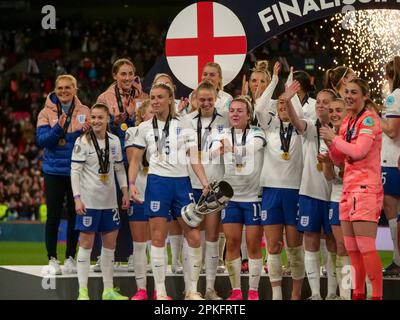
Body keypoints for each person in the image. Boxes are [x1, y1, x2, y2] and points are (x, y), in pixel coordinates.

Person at [129, 82, 209, 300]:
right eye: (152, 97)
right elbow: (135, 159)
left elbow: (194, 157)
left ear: (170, 99)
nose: (154, 101)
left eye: (159, 97)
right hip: (157, 184)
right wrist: (131, 184)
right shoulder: (144, 127)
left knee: (193, 235)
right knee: (157, 236)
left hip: (182, 184)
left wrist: (204, 181)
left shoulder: (185, 125)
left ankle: (191, 290)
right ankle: (161, 292)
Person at [320, 78, 383, 300]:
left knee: (366, 248)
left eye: (354, 92)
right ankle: (357, 294)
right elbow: (341, 158)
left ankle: (376, 296)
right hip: (348, 190)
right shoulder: (348, 121)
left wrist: (334, 139)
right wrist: (329, 149)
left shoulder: (369, 120)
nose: (348, 96)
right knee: (352, 249)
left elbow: (359, 152)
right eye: (346, 91)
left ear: (365, 96)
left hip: (365, 189)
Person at [71, 103, 129, 300]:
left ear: (107, 120)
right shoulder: (82, 142)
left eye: (100, 118)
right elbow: (75, 172)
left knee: (109, 247)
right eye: (93, 117)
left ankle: (108, 291)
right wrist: (77, 198)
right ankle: (82, 291)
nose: (96, 121)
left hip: (110, 202)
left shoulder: (114, 141)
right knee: (86, 245)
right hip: (89, 203)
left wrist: (125, 191)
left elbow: (120, 169)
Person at [211, 96, 266, 300]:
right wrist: (219, 149)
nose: (235, 113)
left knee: (252, 245)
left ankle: (253, 291)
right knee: (232, 244)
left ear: (249, 115)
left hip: (253, 198)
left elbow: (250, 151)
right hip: (231, 198)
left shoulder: (258, 133)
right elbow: (210, 154)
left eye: (240, 110)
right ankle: (236, 291)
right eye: (232, 110)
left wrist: (230, 149)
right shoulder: (222, 134)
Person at [257, 71, 305, 300]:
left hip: (295, 191)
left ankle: (295, 296)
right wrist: (275, 82)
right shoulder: (269, 127)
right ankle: (277, 295)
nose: (283, 107)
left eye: (287, 104)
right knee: (273, 246)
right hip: (271, 191)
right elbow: (258, 108)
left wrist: (290, 93)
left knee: (295, 249)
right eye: (280, 104)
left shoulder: (301, 128)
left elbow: (299, 114)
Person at [285, 82, 336, 300]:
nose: (322, 106)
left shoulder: (341, 128)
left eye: (327, 103)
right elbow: (296, 121)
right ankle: (315, 293)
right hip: (310, 193)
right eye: (320, 102)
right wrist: (288, 100)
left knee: (335, 244)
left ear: (333, 106)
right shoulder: (310, 126)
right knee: (311, 241)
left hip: (334, 194)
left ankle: (333, 293)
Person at [36, 74, 90, 275]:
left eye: (68, 87)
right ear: (55, 90)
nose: (64, 91)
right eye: (60, 88)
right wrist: (59, 127)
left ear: (75, 89)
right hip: (54, 171)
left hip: (77, 171)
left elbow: (88, 142)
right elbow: (42, 141)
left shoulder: (85, 111)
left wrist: (87, 133)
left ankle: (69, 257)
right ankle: (52, 258)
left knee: (77, 215)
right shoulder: (45, 112)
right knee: (53, 216)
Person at [95, 58, 143, 266]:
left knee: (132, 207)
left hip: (135, 160)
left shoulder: (141, 97)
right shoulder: (105, 98)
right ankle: (106, 255)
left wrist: (139, 105)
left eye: (130, 73)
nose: (127, 78)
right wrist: (112, 124)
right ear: (115, 75)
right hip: (113, 158)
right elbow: (96, 125)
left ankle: (133, 254)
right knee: (109, 206)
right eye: (122, 74)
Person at [186, 80, 229, 300]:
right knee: (193, 235)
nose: (205, 103)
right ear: (196, 99)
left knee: (212, 236)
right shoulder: (186, 120)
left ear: (216, 98)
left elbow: (227, 146)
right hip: (192, 183)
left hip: (215, 185)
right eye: (202, 99)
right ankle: (191, 289)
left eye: (210, 99)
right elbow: (189, 153)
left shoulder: (224, 119)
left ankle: (210, 288)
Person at [318, 98, 351, 299]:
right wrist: (328, 164)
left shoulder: (355, 135)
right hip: (336, 196)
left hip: (357, 196)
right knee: (341, 247)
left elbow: (355, 169)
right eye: (331, 111)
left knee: (357, 248)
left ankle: (366, 293)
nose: (334, 114)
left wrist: (335, 161)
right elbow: (330, 177)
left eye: (339, 110)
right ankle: (345, 294)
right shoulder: (327, 137)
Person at [125, 100, 154, 300]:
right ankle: (141, 289)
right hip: (138, 192)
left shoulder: (164, 132)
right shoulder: (133, 132)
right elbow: (133, 159)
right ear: (142, 115)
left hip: (157, 191)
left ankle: (159, 289)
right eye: (150, 111)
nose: (153, 114)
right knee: (139, 244)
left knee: (156, 244)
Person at [379, 56, 400, 277]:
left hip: (392, 162)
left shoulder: (394, 97)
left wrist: (376, 117)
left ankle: (397, 259)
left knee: (393, 213)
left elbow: (393, 130)